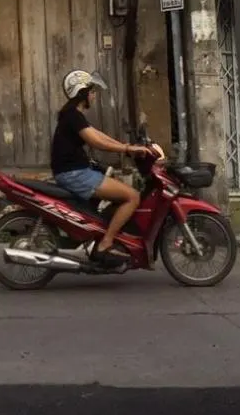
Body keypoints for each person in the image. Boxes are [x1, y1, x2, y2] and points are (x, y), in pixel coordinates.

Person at [50, 70, 162, 268]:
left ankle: (99, 235)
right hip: (75, 174)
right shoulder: (73, 116)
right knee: (133, 196)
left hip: (76, 171)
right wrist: (127, 148)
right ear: (82, 92)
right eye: (91, 91)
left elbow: (100, 136)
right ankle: (106, 244)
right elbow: (96, 142)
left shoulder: (74, 116)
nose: (94, 95)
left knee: (114, 192)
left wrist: (127, 147)